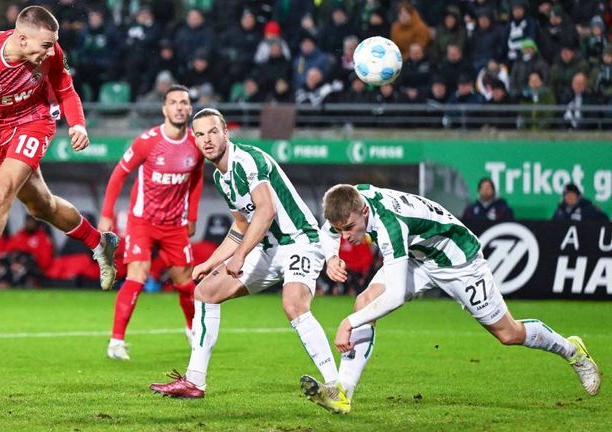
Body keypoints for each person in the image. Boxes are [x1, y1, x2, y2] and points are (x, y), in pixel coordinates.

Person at [299, 184, 601, 414]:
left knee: (509, 334)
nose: (346, 236)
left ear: (364, 212)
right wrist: (332, 256)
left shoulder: (391, 225)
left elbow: (392, 297)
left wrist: (347, 323)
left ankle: (571, 350)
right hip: (422, 258)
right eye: (340, 230)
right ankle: (343, 392)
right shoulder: (353, 198)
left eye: (349, 229)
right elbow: (326, 231)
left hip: (460, 263)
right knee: (364, 303)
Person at [149, 109, 348, 413]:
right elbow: (242, 226)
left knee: (293, 304)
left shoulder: (248, 160)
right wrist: (210, 262)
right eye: (200, 134)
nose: (207, 139)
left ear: (226, 132)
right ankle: (195, 381)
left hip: (300, 242)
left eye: (213, 131)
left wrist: (240, 255)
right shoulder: (220, 176)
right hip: (267, 248)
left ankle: (336, 389)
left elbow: (265, 211)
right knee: (204, 292)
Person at [0, 6, 118, 305]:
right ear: (21, 39)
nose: (51, 50)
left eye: (52, 43)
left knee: (1, 194)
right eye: (45, 45)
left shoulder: (52, 52)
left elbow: (66, 89)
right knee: (40, 206)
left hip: (34, 121)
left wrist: (78, 125)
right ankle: (99, 242)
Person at [100, 85, 204, 360]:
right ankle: (116, 342)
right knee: (137, 276)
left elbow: (196, 179)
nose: (180, 107)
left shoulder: (196, 144)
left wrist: (192, 216)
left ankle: (193, 330)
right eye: (174, 102)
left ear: (190, 109)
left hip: (175, 225)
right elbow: (119, 174)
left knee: (185, 283)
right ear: (164, 109)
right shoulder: (147, 141)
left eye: (184, 102)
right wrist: (107, 213)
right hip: (142, 221)